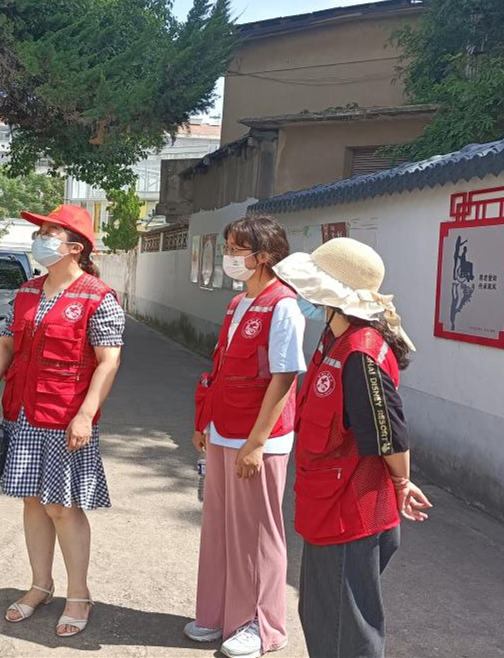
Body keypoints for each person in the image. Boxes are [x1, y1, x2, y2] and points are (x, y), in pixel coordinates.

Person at [272, 237, 433, 658]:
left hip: (351, 511)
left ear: (331, 294)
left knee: (346, 631)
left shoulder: (361, 352)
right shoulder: (335, 336)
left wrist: (402, 482)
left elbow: (390, 432)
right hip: (328, 503)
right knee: (322, 615)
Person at [0, 204, 124, 638]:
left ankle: (79, 594)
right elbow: (6, 344)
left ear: (75, 248)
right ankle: (40, 584)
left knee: (62, 505)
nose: (39, 239)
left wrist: (86, 414)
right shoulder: (27, 291)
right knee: (32, 501)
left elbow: (108, 361)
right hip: (22, 410)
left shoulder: (98, 297)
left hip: (65, 416)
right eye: (40, 232)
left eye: (50, 233)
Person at [186, 216, 306, 658]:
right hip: (224, 427)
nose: (229, 257)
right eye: (228, 248)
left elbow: (284, 377)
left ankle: (262, 625)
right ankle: (219, 613)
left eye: (237, 250)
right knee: (220, 525)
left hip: (259, 438)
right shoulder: (238, 303)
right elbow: (221, 368)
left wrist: (256, 442)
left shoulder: (283, 305)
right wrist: (205, 422)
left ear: (265, 256)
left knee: (257, 532)